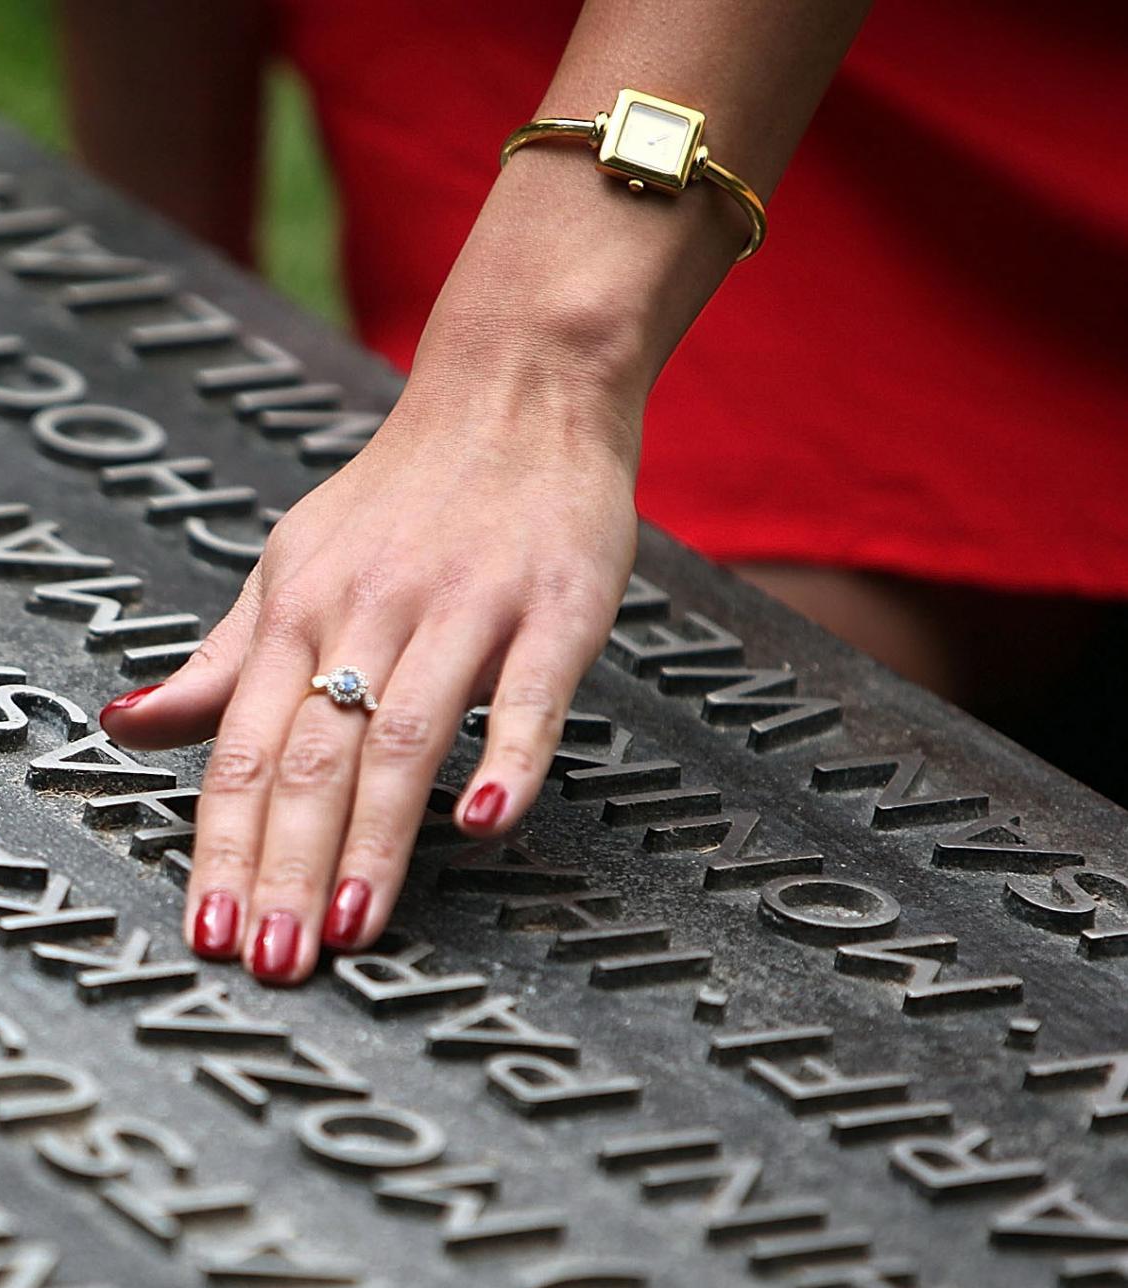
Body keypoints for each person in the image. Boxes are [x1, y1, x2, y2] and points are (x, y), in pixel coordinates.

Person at [68, 1, 1128, 985]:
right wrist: (163, 288)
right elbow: (155, 282)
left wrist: (528, 375)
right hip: (506, 43)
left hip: (912, 84)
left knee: (666, 696)